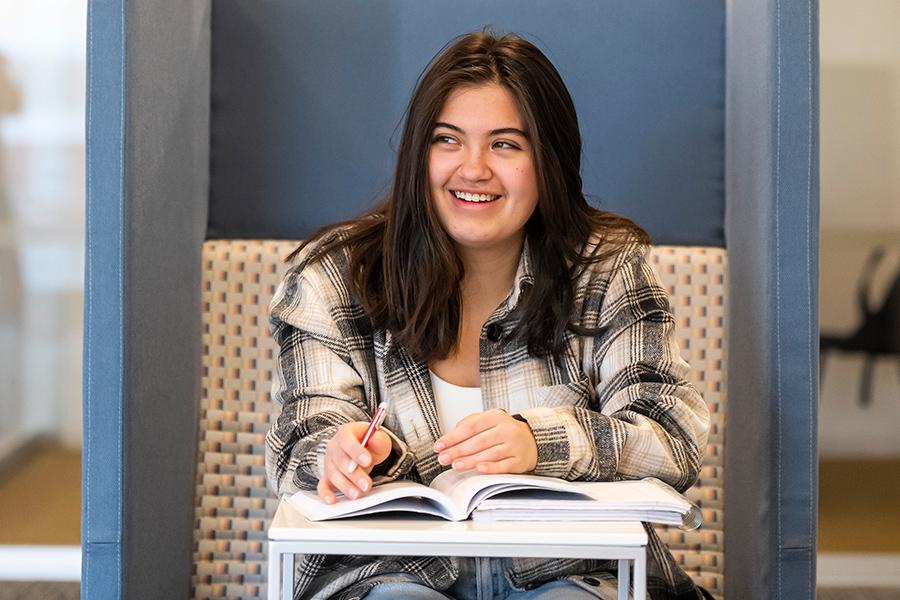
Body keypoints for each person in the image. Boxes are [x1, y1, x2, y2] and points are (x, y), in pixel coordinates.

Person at [265, 30, 711, 600]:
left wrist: (540, 444)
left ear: (549, 161)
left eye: (505, 145)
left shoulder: (608, 269)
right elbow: (300, 439)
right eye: (446, 140)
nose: (472, 169)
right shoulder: (333, 276)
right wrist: (342, 454)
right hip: (387, 574)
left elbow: (673, 438)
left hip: (570, 572)